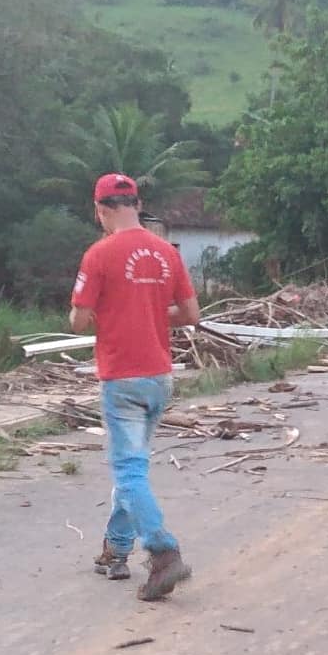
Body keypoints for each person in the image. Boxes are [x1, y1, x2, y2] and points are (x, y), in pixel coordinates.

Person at [71, 173, 200, 600]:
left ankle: (163, 552)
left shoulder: (99, 253)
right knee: (135, 470)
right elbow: (191, 313)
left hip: (121, 376)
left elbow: (79, 319)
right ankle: (116, 550)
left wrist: (111, 316)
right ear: (137, 204)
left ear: (101, 210)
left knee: (128, 471)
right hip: (159, 376)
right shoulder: (167, 252)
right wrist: (149, 315)